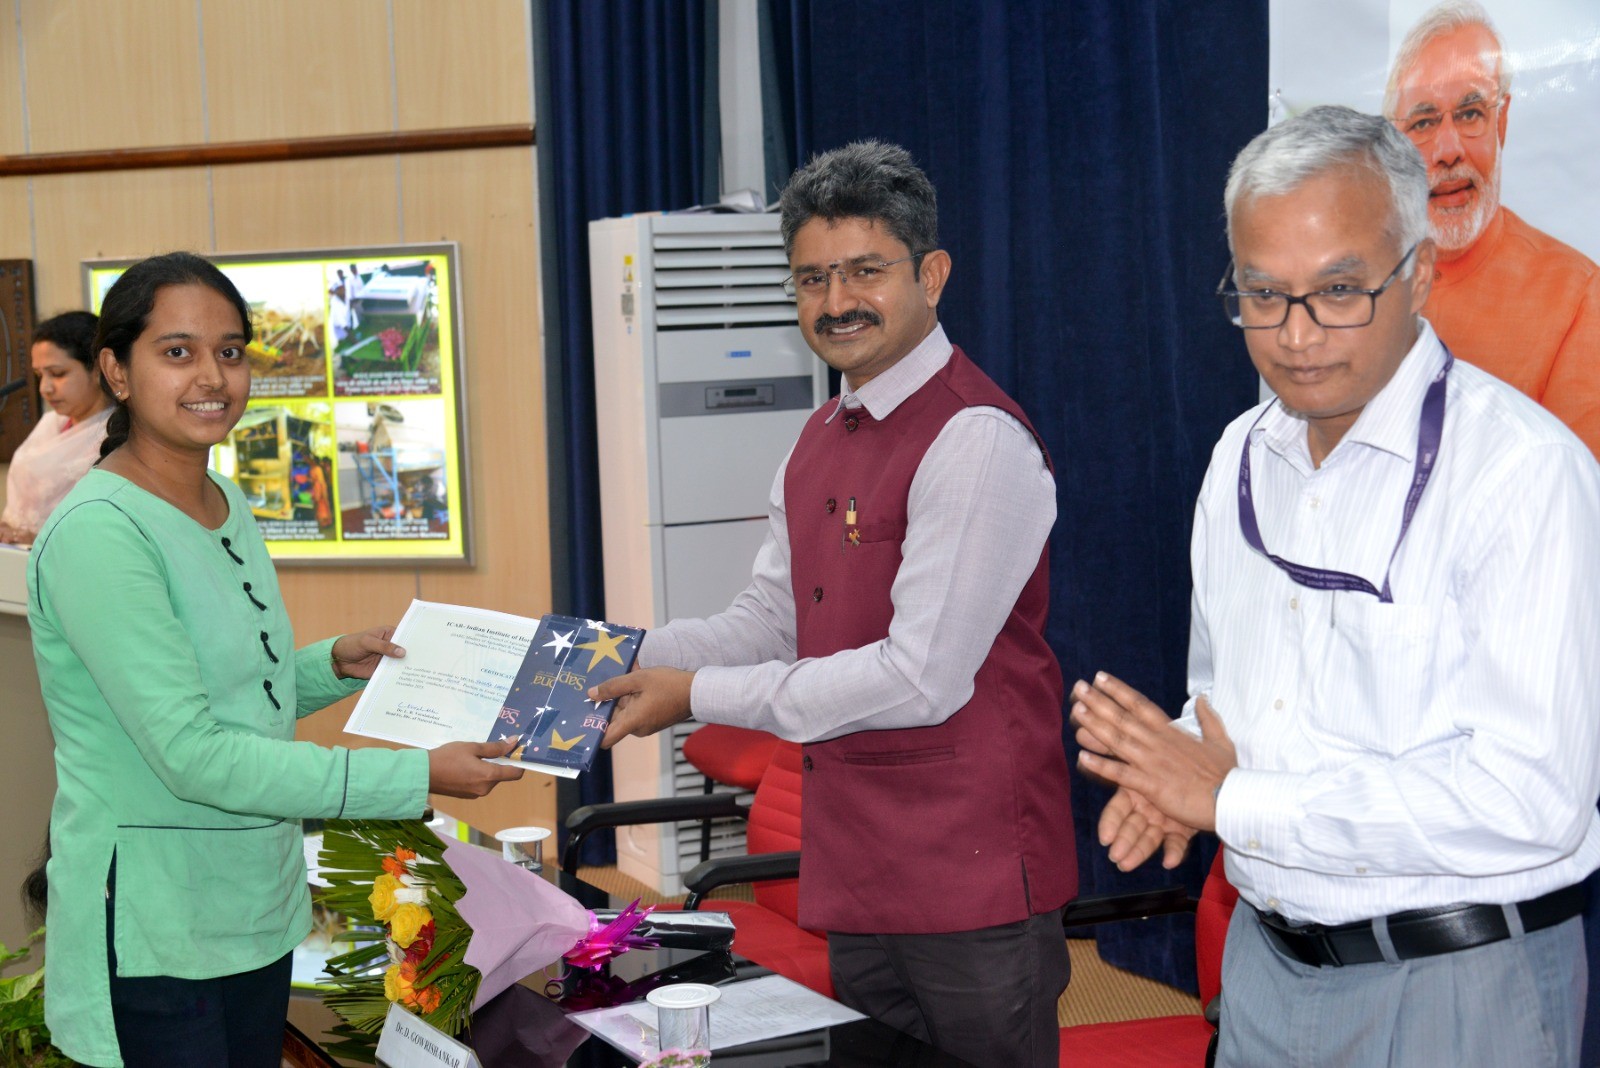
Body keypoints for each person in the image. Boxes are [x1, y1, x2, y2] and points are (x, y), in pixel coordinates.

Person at [1071, 105, 1600, 1066]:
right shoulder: (1240, 456)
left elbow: (1528, 796)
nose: (1296, 334)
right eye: (1263, 294)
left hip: (1459, 987)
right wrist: (1176, 769)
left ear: (1421, 272)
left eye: (1340, 290)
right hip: (1266, 970)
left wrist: (1233, 801)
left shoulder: (1521, 474)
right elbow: (1232, 701)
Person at [591, 141, 1075, 1067]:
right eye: (812, 278)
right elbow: (767, 624)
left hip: (967, 872)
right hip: (856, 862)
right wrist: (611, 653)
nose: (836, 300)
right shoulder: (819, 435)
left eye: (865, 270)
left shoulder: (975, 439)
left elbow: (919, 678)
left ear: (931, 275)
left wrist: (692, 694)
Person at [26, 252, 523, 1068]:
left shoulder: (223, 499)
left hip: (251, 903)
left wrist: (331, 665)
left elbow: (229, 696)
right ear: (116, 370)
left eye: (230, 351)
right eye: (177, 352)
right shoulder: (100, 533)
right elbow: (192, 753)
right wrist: (415, 775)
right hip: (156, 926)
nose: (212, 376)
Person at [1384, 0, 1600, 456]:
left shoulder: (1578, 298)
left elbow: (1575, 487)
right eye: (1423, 122)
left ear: (1501, 121)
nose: (1448, 150)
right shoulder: (1355, 277)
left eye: (1470, 114)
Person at [0, 311, 112, 543]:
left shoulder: (115, 435)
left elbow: (97, 530)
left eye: (57, 374)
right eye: (39, 375)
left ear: (98, 369)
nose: (45, 388)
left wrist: (33, 538)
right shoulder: (51, 422)